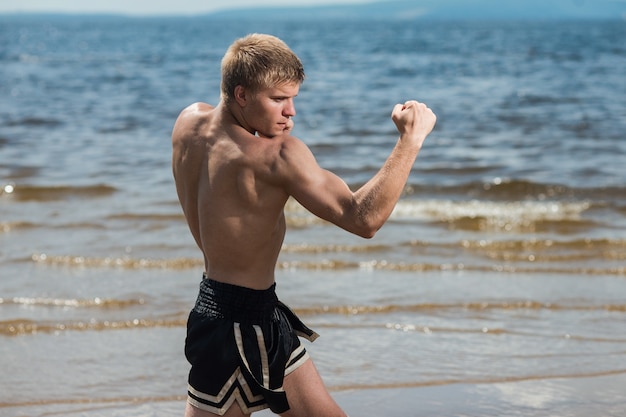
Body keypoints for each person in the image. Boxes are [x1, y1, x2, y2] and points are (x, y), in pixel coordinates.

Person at [171, 33, 436, 417]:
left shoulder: (187, 123)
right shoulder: (278, 156)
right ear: (242, 95)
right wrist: (410, 140)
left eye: (293, 98)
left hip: (230, 311)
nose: (290, 111)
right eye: (277, 99)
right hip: (237, 330)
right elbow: (364, 219)